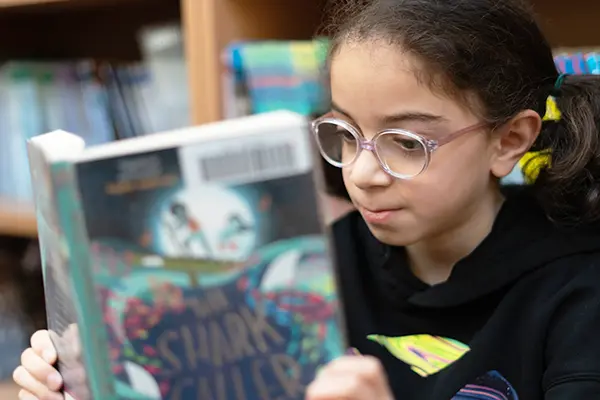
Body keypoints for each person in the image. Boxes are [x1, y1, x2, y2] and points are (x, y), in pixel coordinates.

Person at [13, 0, 600, 398]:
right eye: (344, 134)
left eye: (404, 142)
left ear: (510, 140)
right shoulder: (306, 265)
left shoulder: (577, 292)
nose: (364, 173)